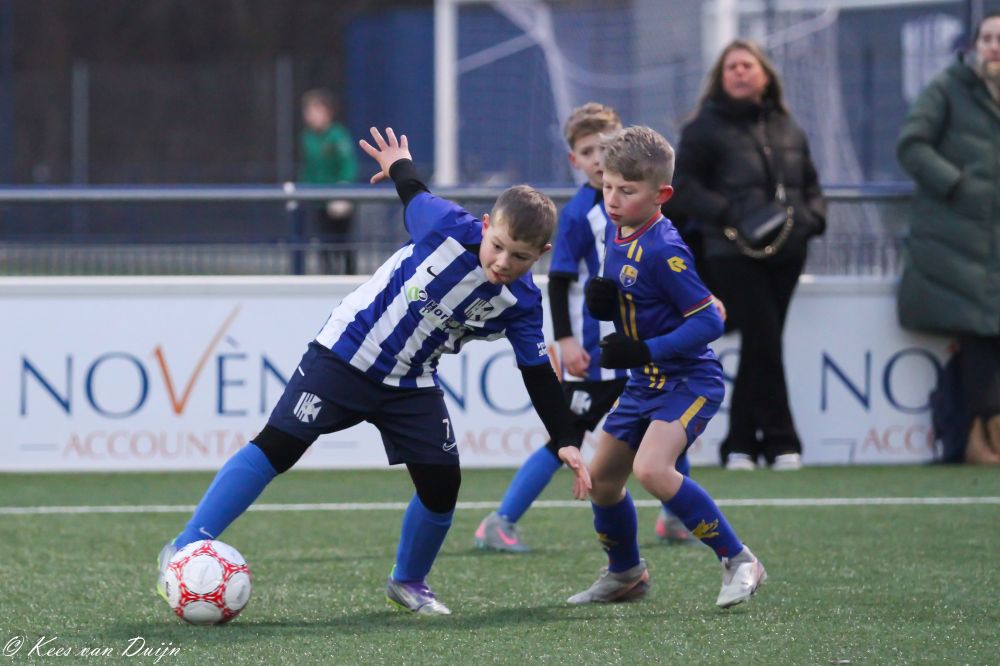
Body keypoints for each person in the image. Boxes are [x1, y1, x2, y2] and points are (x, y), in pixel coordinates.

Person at [156, 126, 590, 616]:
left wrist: (565, 438)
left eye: (520, 257)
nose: (503, 262)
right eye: (498, 245)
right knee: (279, 446)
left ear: (541, 255)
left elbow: (537, 371)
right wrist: (398, 164)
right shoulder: (445, 225)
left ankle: (408, 582)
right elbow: (414, 192)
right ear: (486, 224)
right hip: (344, 355)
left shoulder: (523, 304)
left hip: (411, 383)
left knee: (442, 485)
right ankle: (185, 546)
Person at [474, 103, 696, 553]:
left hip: (638, 348)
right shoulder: (578, 214)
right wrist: (567, 340)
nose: (599, 159)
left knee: (666, 426)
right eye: (589, 151)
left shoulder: (644, 209)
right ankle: (500, 521)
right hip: (597, 354)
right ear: (574, 160)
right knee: (567, 436)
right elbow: (559, 280)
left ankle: (675, 517)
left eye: (606, 148)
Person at [568, 125, 766, 609]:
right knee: (603, 482)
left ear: (662, 195)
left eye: (627, 191)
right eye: (607, 186)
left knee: (652, 470)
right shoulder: (617, 228)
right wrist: (602, 303)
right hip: (644, 383)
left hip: (688, 380)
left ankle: (740, 560)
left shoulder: (664, 247)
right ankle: (626, 574)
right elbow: (634, 297)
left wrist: (645, 350)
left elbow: (709, 321)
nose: (613, 199)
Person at [668, 40, 826, 471]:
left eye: (747, 65)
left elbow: (811, 185)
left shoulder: (788, 127)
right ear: (720, 77)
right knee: (763, 339)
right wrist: (729, 213)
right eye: (731, 67)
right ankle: (781, 441)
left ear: (765, 75)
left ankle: (740, 444)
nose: (739, 72)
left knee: (763, 343)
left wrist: (813, 220)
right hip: (730, 252)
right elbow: (682, 188)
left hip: (788, 251)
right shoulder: (703, 128)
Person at [897, 13, 1000, 464]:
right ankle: (983, 435)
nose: (994, 46)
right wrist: (957, 184)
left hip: (992, 244)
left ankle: (978, 436)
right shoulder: (948, 88)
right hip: (956, 243)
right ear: (975, 45)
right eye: (987, 38)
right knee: (976, 334)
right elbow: (911, 144)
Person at [299, 88, 359, 274]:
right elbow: (308, 167)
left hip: (339, 198)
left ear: (327, 112)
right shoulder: (307, 137)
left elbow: (348, 164)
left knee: (344, 242)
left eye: (315, 110)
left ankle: (349, 276)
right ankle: (328, 274)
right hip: (318, 200)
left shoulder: (338, 135)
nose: (310, 116)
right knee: (324, 243)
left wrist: (344, 188)